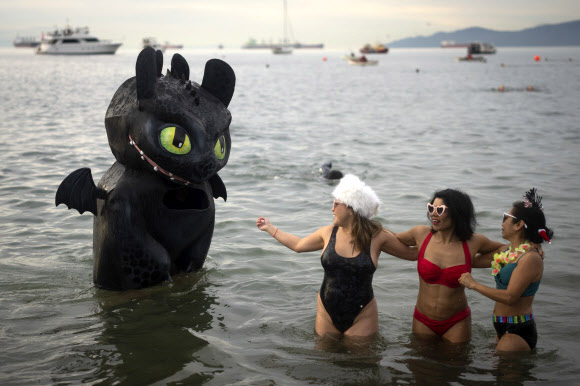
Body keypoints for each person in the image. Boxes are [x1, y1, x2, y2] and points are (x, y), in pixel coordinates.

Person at [256, 174, 417, 337]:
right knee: (324, 360)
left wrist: (431, 236)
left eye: (336, 204)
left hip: (363, 315)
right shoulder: (327, 233)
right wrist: (270, 228)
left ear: (351, 208)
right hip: (326, 312)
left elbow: (412, 254)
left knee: (363, 361)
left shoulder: (378, 236)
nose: (332, 208)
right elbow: (298, 245)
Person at [395, 189, 504, 343]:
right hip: (423, 319)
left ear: (456, 213)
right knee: (419, 365)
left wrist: (533, 247)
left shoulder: (473, 242)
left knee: (456, 365)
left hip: (457, 322)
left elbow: (505, 250)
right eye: (431, 208)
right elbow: (391, 239)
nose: (433, 213)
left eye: (440, 210)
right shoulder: (421, 234)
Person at [459, 188, 552, 351]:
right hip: (501, 328)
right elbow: (472, 261)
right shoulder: (507, 251)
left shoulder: (530, 258)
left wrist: (473, 284)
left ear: (519, 225)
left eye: (505, 218)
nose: (502, 223)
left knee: (502, 374)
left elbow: (510, 297)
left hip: (518, 330)